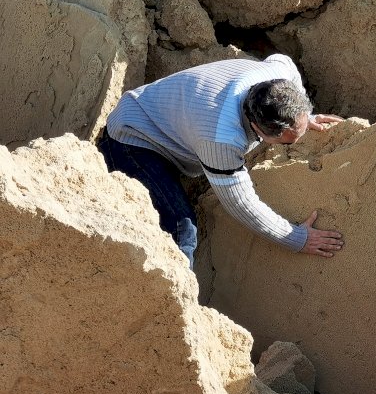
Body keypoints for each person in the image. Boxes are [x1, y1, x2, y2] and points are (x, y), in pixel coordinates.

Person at [98, 54, 345, 268]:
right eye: (287, 142)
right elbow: (240, 204)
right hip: (133, 138)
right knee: (182, 230)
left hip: (170, 117)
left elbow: (284, 59)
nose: (296, 143)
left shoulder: (279, 73)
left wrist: (304, 119)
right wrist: (297, 238)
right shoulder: (221, 139)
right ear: (258, 129)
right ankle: (170, 306)